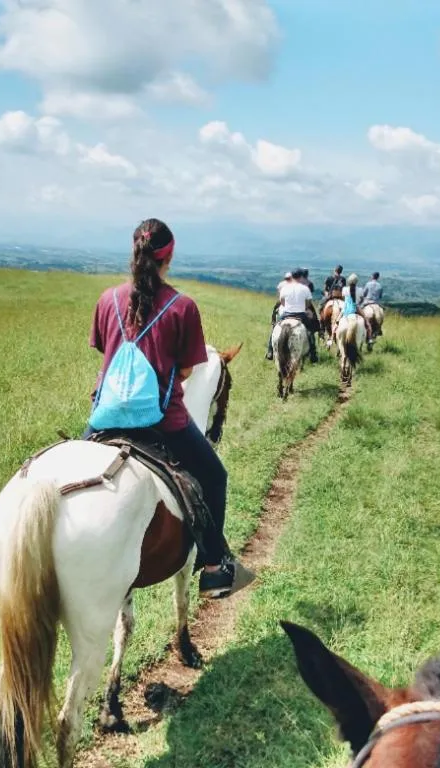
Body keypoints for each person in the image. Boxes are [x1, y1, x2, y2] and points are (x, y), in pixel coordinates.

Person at [87, 218, 252, 599]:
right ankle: (214, 566)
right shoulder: (183, 307)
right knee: (214, 476)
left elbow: (104, 350)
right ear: (170, 256)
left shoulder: (107, 299)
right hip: (164, 422)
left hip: (106, 417)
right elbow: (189, 370)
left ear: (134, 252)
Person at [266, 267, 318, 363]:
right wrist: (303, 308)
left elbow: (282, 301)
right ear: (301, 277)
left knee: (274, 329)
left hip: (286, 314)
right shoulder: (305, 288)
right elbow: (308, 303)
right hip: (301, 314)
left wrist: (288, 307)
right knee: (310, 331)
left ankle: (270, 351)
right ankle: (313, 353)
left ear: (292, 276)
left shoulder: (285, 287)